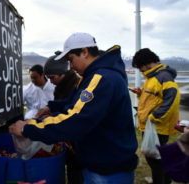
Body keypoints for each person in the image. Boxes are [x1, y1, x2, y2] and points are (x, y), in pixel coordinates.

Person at [10, 32, 138, 184]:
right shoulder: (93, 76)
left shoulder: (101, 79)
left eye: (71, 60)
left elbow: (76, 119)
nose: (70, 67)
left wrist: (28, 128)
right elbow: (75, 103)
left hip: (107, 168)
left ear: (84, 52)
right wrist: (51, 106)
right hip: (102, 160)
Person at [131, 48, 180, 184]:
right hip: (150, 126)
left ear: (146, 63)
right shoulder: (151, 78)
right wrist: (140, 93)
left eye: (140, 66)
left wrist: (153, 117)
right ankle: (165, 180)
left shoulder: (163, 77)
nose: (140, 70)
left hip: (157, 127)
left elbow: (172, 100)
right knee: (157, 160)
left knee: (155, 161)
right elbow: (155, 98)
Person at [44, 51, 82, 184]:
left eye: (52, 77)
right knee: (71, 171)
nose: (51, 82)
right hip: (67, 139)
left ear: (63, 74)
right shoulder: (60, 87)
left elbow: (71, 115)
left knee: (77, 174)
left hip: (78, 143)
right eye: (48, 78)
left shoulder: (75, 86)